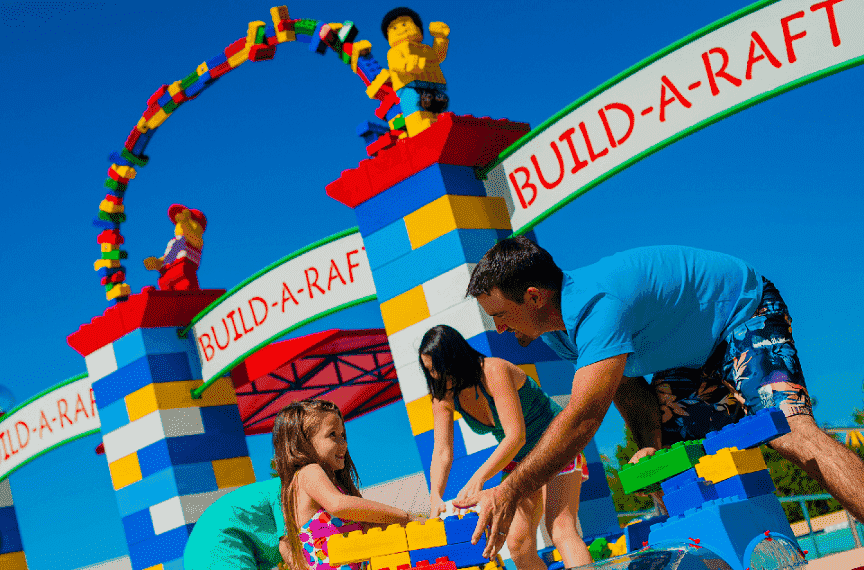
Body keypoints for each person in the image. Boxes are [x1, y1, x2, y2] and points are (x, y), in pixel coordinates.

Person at [451, 237, 864, 559]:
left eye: (500, 315)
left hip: (742, 312)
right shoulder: (560, 333)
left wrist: (509, 490)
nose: (499, 330)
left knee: (789, 431)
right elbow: (627, 387)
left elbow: (582, 418)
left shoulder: (596, 306)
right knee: (666, 468)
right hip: (690, 355)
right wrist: (650, 442)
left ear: (534, 297)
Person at [419, 325, 592, 569]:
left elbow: (515, 436)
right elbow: (442, 451)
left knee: (560, 528)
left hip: (554, 443)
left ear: (455, 358)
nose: (435, 376)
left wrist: (479, 477)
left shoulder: (493, 370)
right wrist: (435, 495)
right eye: (429, 371)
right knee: (518, 544)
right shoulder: (443, 395)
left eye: (439, 368)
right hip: (519, 459)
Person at [273, 399, 425, 570]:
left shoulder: (332, 484)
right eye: (333, 435)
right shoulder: (309, 472)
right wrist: (404, 516)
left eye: (343, 435)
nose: (343, 443)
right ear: (304, 442)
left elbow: (367, 524)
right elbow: (338, 505)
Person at [381, 7, 449, 137]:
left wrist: (440, 38)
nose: (401, 29)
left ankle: (439, 123)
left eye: (405, 24)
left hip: (432, 86)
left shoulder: (425, 49)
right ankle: (417, 128)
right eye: (394, 28)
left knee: (436, 105)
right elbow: (397, 65)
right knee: (412, 102)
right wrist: (409, 65)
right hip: (409, 87)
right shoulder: (394, 51)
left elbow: (438, 56)